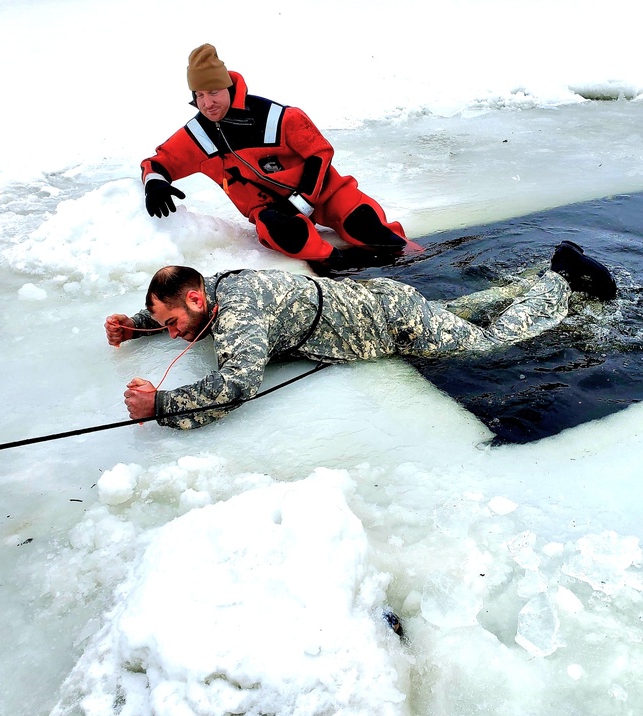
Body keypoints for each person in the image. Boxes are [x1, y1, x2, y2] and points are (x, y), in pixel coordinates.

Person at [104, 241, 617, 429]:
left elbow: (238, 383)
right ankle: (522, 284)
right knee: (453, 314)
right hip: (378, 300)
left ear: (196, 301)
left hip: (391, 320)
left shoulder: (239, 315)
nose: (173, 336)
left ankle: (559, 279)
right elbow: (178, 307)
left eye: (171, 324)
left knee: (489, 344)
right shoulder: (210, 290)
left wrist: (163, 405)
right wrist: (135, 325)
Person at [141, 43, 413, 270]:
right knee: (280, 231)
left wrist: (304, 201)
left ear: (228, 87)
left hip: (323, 192)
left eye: (213, 92)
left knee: (366, 226)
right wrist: (154, 182)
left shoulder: (278, 116)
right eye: (199, 95)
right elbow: (157, 163)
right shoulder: (197, 135)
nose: (207, 103)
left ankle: (415, 261)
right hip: (271, 208)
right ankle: (342, 271)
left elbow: (320, 153)